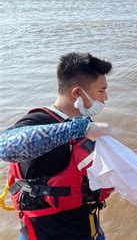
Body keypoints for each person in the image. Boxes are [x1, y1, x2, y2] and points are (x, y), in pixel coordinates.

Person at [0, 52, 114, 240]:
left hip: (89, 231)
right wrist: (80, 128)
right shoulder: (39, 122)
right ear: (77, 93)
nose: (106, 98)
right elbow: (5, 147)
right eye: (101, 91)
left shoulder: (83, 121)